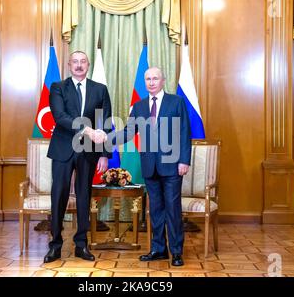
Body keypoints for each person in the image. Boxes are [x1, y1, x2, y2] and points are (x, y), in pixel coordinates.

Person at [87, 67, 191, 266]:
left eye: (155, 78)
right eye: (148, 79)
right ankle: (158, 249)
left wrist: (184, 160)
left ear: (163, 80)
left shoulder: (176, 102)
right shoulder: (139, 106)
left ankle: (176, 252)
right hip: (150, 166)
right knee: (156, 210)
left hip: (172, 166)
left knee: (172, 210)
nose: (151, 82)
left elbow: (185, 132)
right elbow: (128, 132)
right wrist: (107, 137)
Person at [44, 51, 112, 263]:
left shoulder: (100, 89)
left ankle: (81, 245)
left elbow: (105, 122)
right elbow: (60, 116)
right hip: (63, 149)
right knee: (59, 195)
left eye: (83, 62)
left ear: (88, 65)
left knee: (84, 196)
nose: (79, 65)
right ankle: (55, 245)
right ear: (69, 65)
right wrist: (87, 131)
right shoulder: (58, 87)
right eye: (75, 62)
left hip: (89, 152)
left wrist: (104, 154)